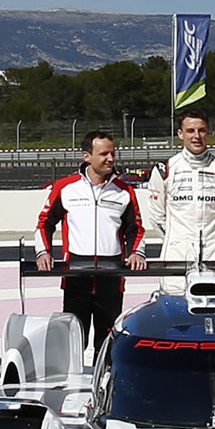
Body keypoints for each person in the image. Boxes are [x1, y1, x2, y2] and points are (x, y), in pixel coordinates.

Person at [35, 132, 145, 353]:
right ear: (87, 156)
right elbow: (44, 223)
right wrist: (43, 252)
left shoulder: (125, 191)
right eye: (104, 154)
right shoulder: (65, 187)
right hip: (76, 273)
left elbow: (135, 228)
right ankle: (70, 384)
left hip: (111, 274)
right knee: (73, 339)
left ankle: (105, 383)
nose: (111, 159)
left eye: (113, 153)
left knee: (107, 341)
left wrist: (137, 253)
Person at [142, 109, 215, 290]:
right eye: (190, 131)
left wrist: (209, 235)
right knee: (174, 311)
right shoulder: (165, 170)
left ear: (208, 132)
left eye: (201, 130)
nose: (197, 136)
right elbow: (156, 217)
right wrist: (178, 237)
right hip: (176, 251)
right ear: (180, 134)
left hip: (214, 250)